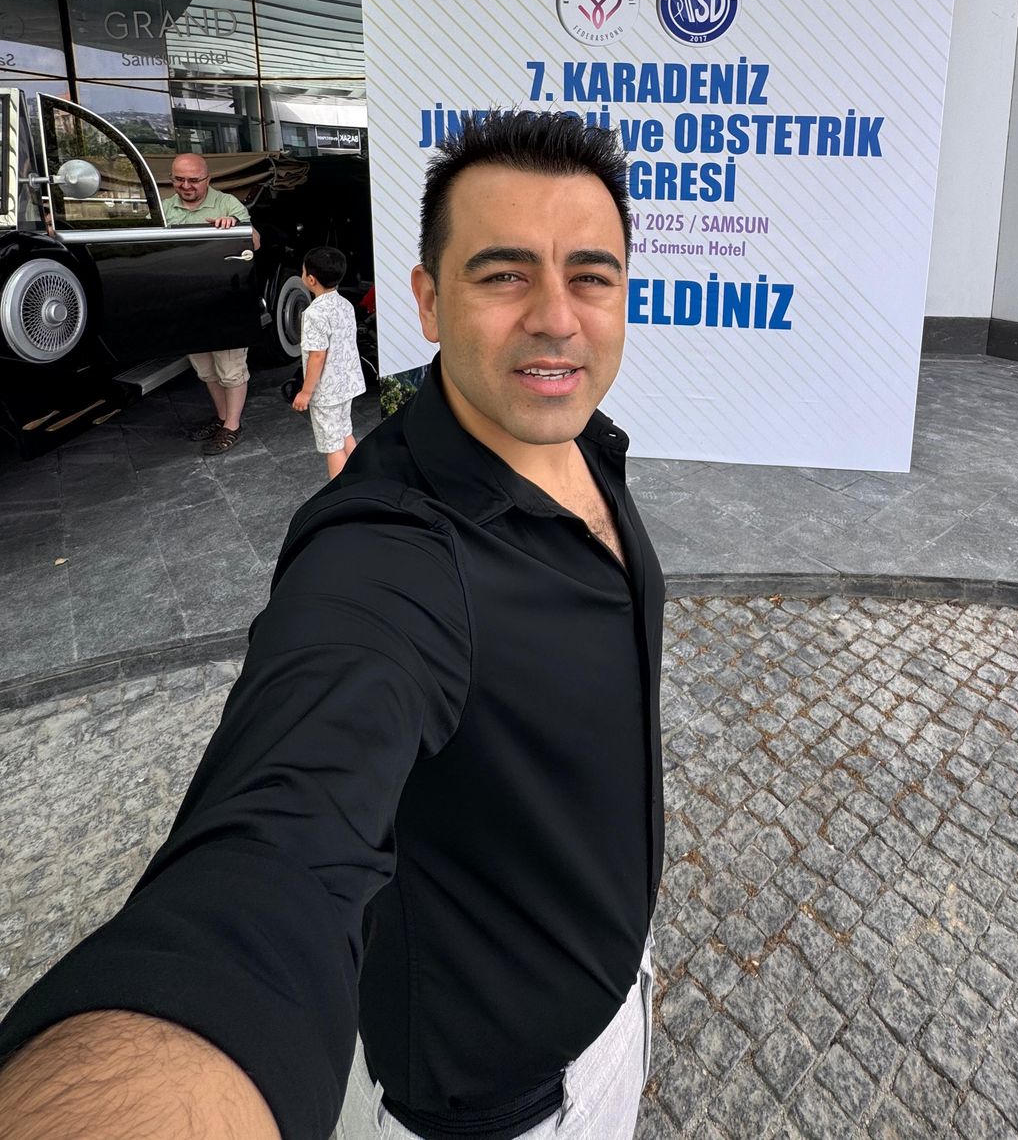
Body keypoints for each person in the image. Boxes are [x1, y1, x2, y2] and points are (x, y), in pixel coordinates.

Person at [0, 111, 664, 1140]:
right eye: (502, 274)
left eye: (591, 276)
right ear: (428, 300)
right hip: (506, 1109)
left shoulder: (590, 446)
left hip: (612, 992)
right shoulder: (389, 550)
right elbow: (272, 856)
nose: (555, 317)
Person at [161, 151, 260, 455]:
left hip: (224, 301)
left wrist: (234, 225)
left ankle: (233, 426)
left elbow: (255, 241)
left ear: (208, 178)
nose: (186, 185)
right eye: (179, 179)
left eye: (193, 180)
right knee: (205, 369)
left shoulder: (228, 203)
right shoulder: (164, 208)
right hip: (188, 303)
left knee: (231, 369)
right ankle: (222, 418)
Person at [292, 244, 365, 478]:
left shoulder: (314, 314)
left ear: (311, 279)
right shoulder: (345, 305)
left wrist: (306, 392)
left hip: (327, 392)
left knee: (332, 446)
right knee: (344, 432)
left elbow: (317, 355)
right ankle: (363, 476)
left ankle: (342, 493)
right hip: (347, 383)